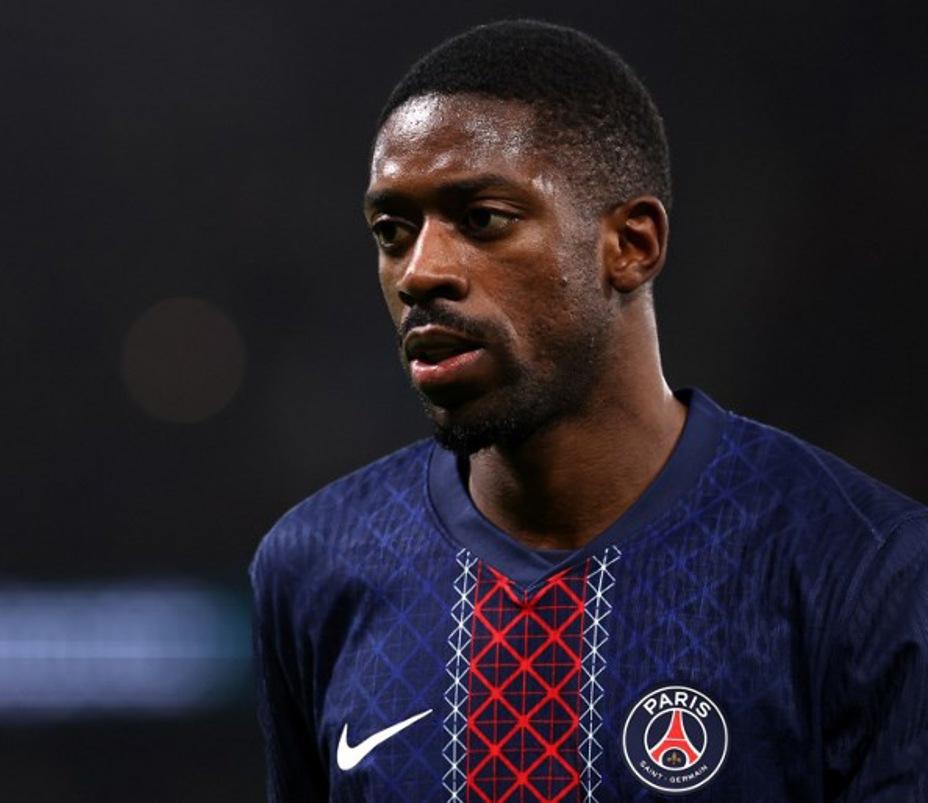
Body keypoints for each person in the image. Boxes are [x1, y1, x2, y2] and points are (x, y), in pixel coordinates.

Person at [248, 19, 927, 802]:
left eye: (482, 220)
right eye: (392, 231)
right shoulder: (312, 566)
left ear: (632, 244)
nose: (419, 272)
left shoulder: (863, 568)